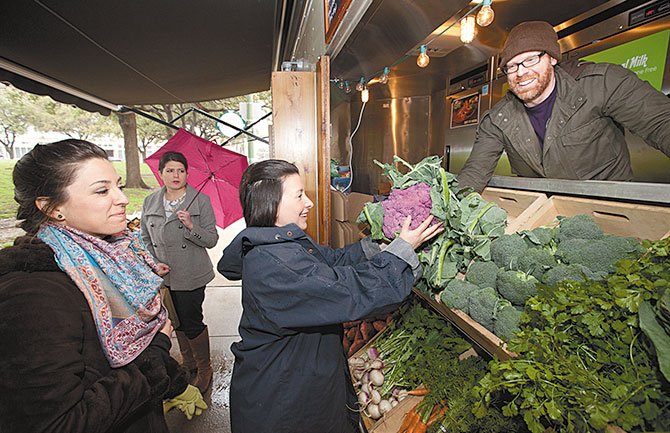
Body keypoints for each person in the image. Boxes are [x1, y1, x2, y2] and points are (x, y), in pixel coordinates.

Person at [217, 160, 443, 433]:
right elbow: (350, 292)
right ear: (271, 202)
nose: (309, 202)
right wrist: (402, 253)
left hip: (294, 381)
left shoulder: (279, 243)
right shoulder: (274, 264)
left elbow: (332, 262)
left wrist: (378, 246)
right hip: (282, 402)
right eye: (299, 195)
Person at [0, 139, 206, 433]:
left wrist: (175, 382)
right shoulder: (31, 295)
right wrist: (160, 351)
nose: (122, 199)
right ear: (51, 207)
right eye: (102, 190)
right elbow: (60, 423)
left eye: (118, 186)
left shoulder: (105, 262)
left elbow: (127, 356)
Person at [457, 20, 670, 193]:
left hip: (612, 211)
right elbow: (475, 173)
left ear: (551, 58)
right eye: (511, 66)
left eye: (530, 60)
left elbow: (661, 124)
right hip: (545, 218)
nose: (521, 73)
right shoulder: (497, 118)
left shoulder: (603, 83)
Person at [141, 151, 219, 393]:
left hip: (191, 273)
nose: (176, 175)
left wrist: (191, 226)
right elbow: (145, 237)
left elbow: (212, 240)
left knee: (191, 320)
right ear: (161, 173)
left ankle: (205, 368)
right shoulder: (150, 201)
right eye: (170, 170)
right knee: (176, 321)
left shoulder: (200, 200)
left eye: (181, 170)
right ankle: (189, 363)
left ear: (187, 173)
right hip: (164, 275)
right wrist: (154, 262)